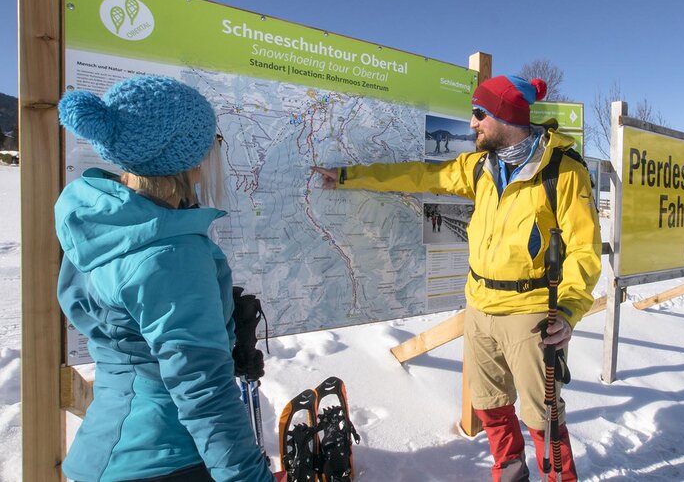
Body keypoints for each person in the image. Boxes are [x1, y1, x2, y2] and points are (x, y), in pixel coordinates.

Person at [314, 75, 601, 481]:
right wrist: (347, 176)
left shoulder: (562, 172)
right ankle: (510, 472)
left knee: (543, 418)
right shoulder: (481, 167)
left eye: (479, 114)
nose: (471, 123)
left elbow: (584, 250)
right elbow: (419, 176)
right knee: (490, 405)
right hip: (480, 308)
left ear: (505, 115)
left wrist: (569, 310)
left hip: (532, 314)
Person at [56, 76, 275, 482]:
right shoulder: (171, 254)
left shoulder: (100, 220)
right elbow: (203, 392)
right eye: (213, 140)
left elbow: (124, 335)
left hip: (106, 449)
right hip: (170, 458)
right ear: (188, 156)